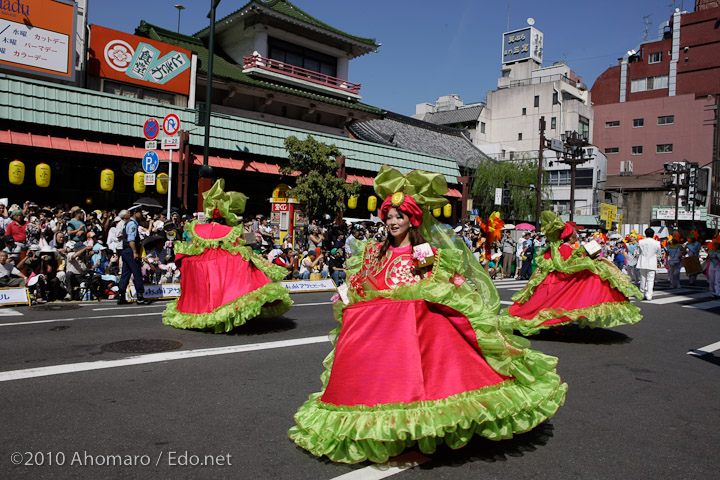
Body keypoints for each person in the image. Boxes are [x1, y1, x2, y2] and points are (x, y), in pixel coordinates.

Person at [289, 166, 567, 464]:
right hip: (377, 331)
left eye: (400, 217)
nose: (393, 222)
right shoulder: (373, 252)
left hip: (414, 330)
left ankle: (422, 433)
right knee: (382, 387)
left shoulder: (423, 251)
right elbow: (362, 283)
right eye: (389, 217)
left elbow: (442, 282)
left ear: (412, 219)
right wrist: (346, 294)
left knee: (420, 386)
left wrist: (458, 291)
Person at [162, 179, 292, 333]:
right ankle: (225, 314)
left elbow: (192, 248)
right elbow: (246, 243)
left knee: (209, 292)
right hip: (221, 266)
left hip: (200, 265)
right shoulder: (230, 230)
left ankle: (205, 315)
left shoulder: (199, 228)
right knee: (232, 281)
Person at [500, 211, 643, 335]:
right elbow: (569, 265)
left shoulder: (561, 248)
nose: (577, 237)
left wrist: (586, 256)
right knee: (553, 305)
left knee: (550, 305)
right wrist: (588, 258)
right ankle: (550, 325)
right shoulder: (566, 248)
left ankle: (556, 326)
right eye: (575, 235)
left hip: (555, 281)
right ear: (569, 237)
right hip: (559, 281)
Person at [117, 207, 147, 305]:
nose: (141, 215)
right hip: (130, 251)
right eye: (140, 213)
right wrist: (135, 252)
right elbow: (131, 240)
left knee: (125, 273)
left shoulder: (128, 223)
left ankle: (121, 295)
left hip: (125, 251)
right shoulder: (132, 224)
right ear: (135, 213)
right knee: (137, 272)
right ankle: (140, 296)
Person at [636, 227, 663, 301]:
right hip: (652, 262)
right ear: (653, 234)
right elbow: (659, 253)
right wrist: (658, 259)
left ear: (645, 234)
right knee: (650, 279)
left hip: (642, 261)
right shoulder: (657, 243)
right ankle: (649, 295)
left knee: (642, 279)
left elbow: (638, 252)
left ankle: (642, 293)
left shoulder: (641, 242)